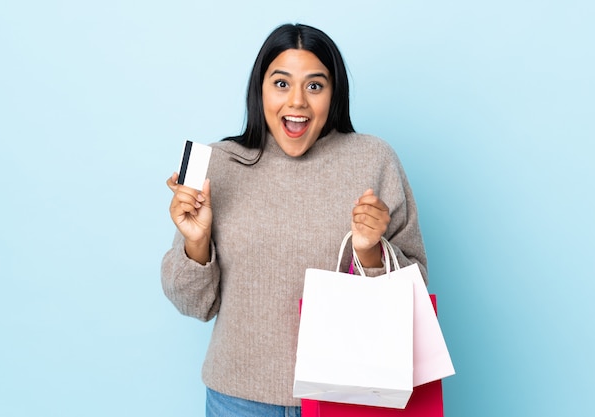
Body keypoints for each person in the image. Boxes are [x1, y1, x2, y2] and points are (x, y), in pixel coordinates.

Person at [161, 23, 428, 417]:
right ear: (260, 89)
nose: (297, 102)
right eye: (282, 84)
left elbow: (415, 292)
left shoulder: (373, 159)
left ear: (334, 94)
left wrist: (371, 253)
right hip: (237, 399)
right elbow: (192, 304)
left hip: (348, 398)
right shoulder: (219, 164)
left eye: (315, 86)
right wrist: (195, 243)